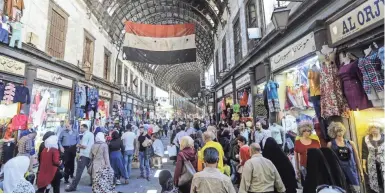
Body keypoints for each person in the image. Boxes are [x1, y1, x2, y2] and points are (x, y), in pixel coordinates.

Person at [327, 122, 362, 193]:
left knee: (355, 189)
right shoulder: (330, 144)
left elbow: (356, 157)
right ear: (334, 132)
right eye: (337, 131)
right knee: (342, 189)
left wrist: (360, 171)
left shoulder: (350, 143)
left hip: (351, 170)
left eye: (341, 130)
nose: (340, 133)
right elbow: (328, 160)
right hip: (339, 171)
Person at [66, 124, 94, 192]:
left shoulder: (86, 135)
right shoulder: (91, 134)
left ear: (85, 128)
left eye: (81, 128)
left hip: (84, 155)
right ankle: (93, 183)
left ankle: (73, 187)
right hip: (89, 155)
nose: (80, 130)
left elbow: (84, 146)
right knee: (91, 171)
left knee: (78, 172)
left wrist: (78, 145)